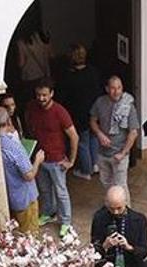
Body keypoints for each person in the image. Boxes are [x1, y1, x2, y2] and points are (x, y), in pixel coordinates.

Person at [24, 79, 79, 237]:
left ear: (52, 94)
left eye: (44, 95)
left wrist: (72, 161)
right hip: (40, 159)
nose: (41, 98)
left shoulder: (60, 112)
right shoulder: (32, 107)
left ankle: (66, 221)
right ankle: (48, 213)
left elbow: (74, 136)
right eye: (38, 95)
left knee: (61, 192)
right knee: (45, 189)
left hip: (57, 160)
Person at [91, 185, 147, 267]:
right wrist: (104, 246)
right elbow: (93, 250)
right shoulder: (99, 218)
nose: (116, 212)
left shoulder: (139, 220)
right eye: (112, 209)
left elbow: (144, 250)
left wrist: (129, 247)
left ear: (125, 203)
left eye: (119, 208)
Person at [89, 76, 140, 200]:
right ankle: (112, 207)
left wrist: (123, 153)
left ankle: (126, 213)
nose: (116, 91)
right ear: (107, 89)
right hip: (103, 153)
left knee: (121, 187)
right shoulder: (100, 102)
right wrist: (99, 134)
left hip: (119, 154)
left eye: (119, 88)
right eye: (113, 88)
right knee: (106, 183)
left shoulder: (128, 106)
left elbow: (133, 132)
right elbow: (92, 120)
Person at [57, 44, 103, 181]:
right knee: (93, 138)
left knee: (82, 142)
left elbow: (63, 97)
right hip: (94, 111)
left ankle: (86, 170)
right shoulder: (93, 72)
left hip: (78, 114)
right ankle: (95, 164)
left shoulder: (69, 77)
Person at [0, 107, 45, 233]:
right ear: (8, 122)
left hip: (9, 198)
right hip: (25, 198)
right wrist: (37, 160)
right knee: (29, 235)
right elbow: (28, 175)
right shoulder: (14, 147)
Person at [16, 22, 53, 105]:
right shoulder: (39, 38)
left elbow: (21, 63)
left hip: (29, 78)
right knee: (44, 100)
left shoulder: (21, 43)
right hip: (42, 75)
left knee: (32, 102)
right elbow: (50, 55)